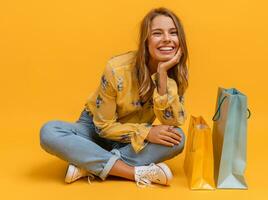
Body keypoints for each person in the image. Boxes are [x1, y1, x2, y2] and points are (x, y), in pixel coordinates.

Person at [40, 7, 189, 187]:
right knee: (49, 131)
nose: (167, 38)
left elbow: (172, 122)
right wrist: (147, 132)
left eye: (173, 33)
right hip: (95, 131)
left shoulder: (177, 73)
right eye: (157, 33)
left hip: (132, 140)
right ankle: (133, 172)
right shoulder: (117, 69)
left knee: (177, 138)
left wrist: (162, 75)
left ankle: (88, 165)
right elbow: (103, 127)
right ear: (146, 41)